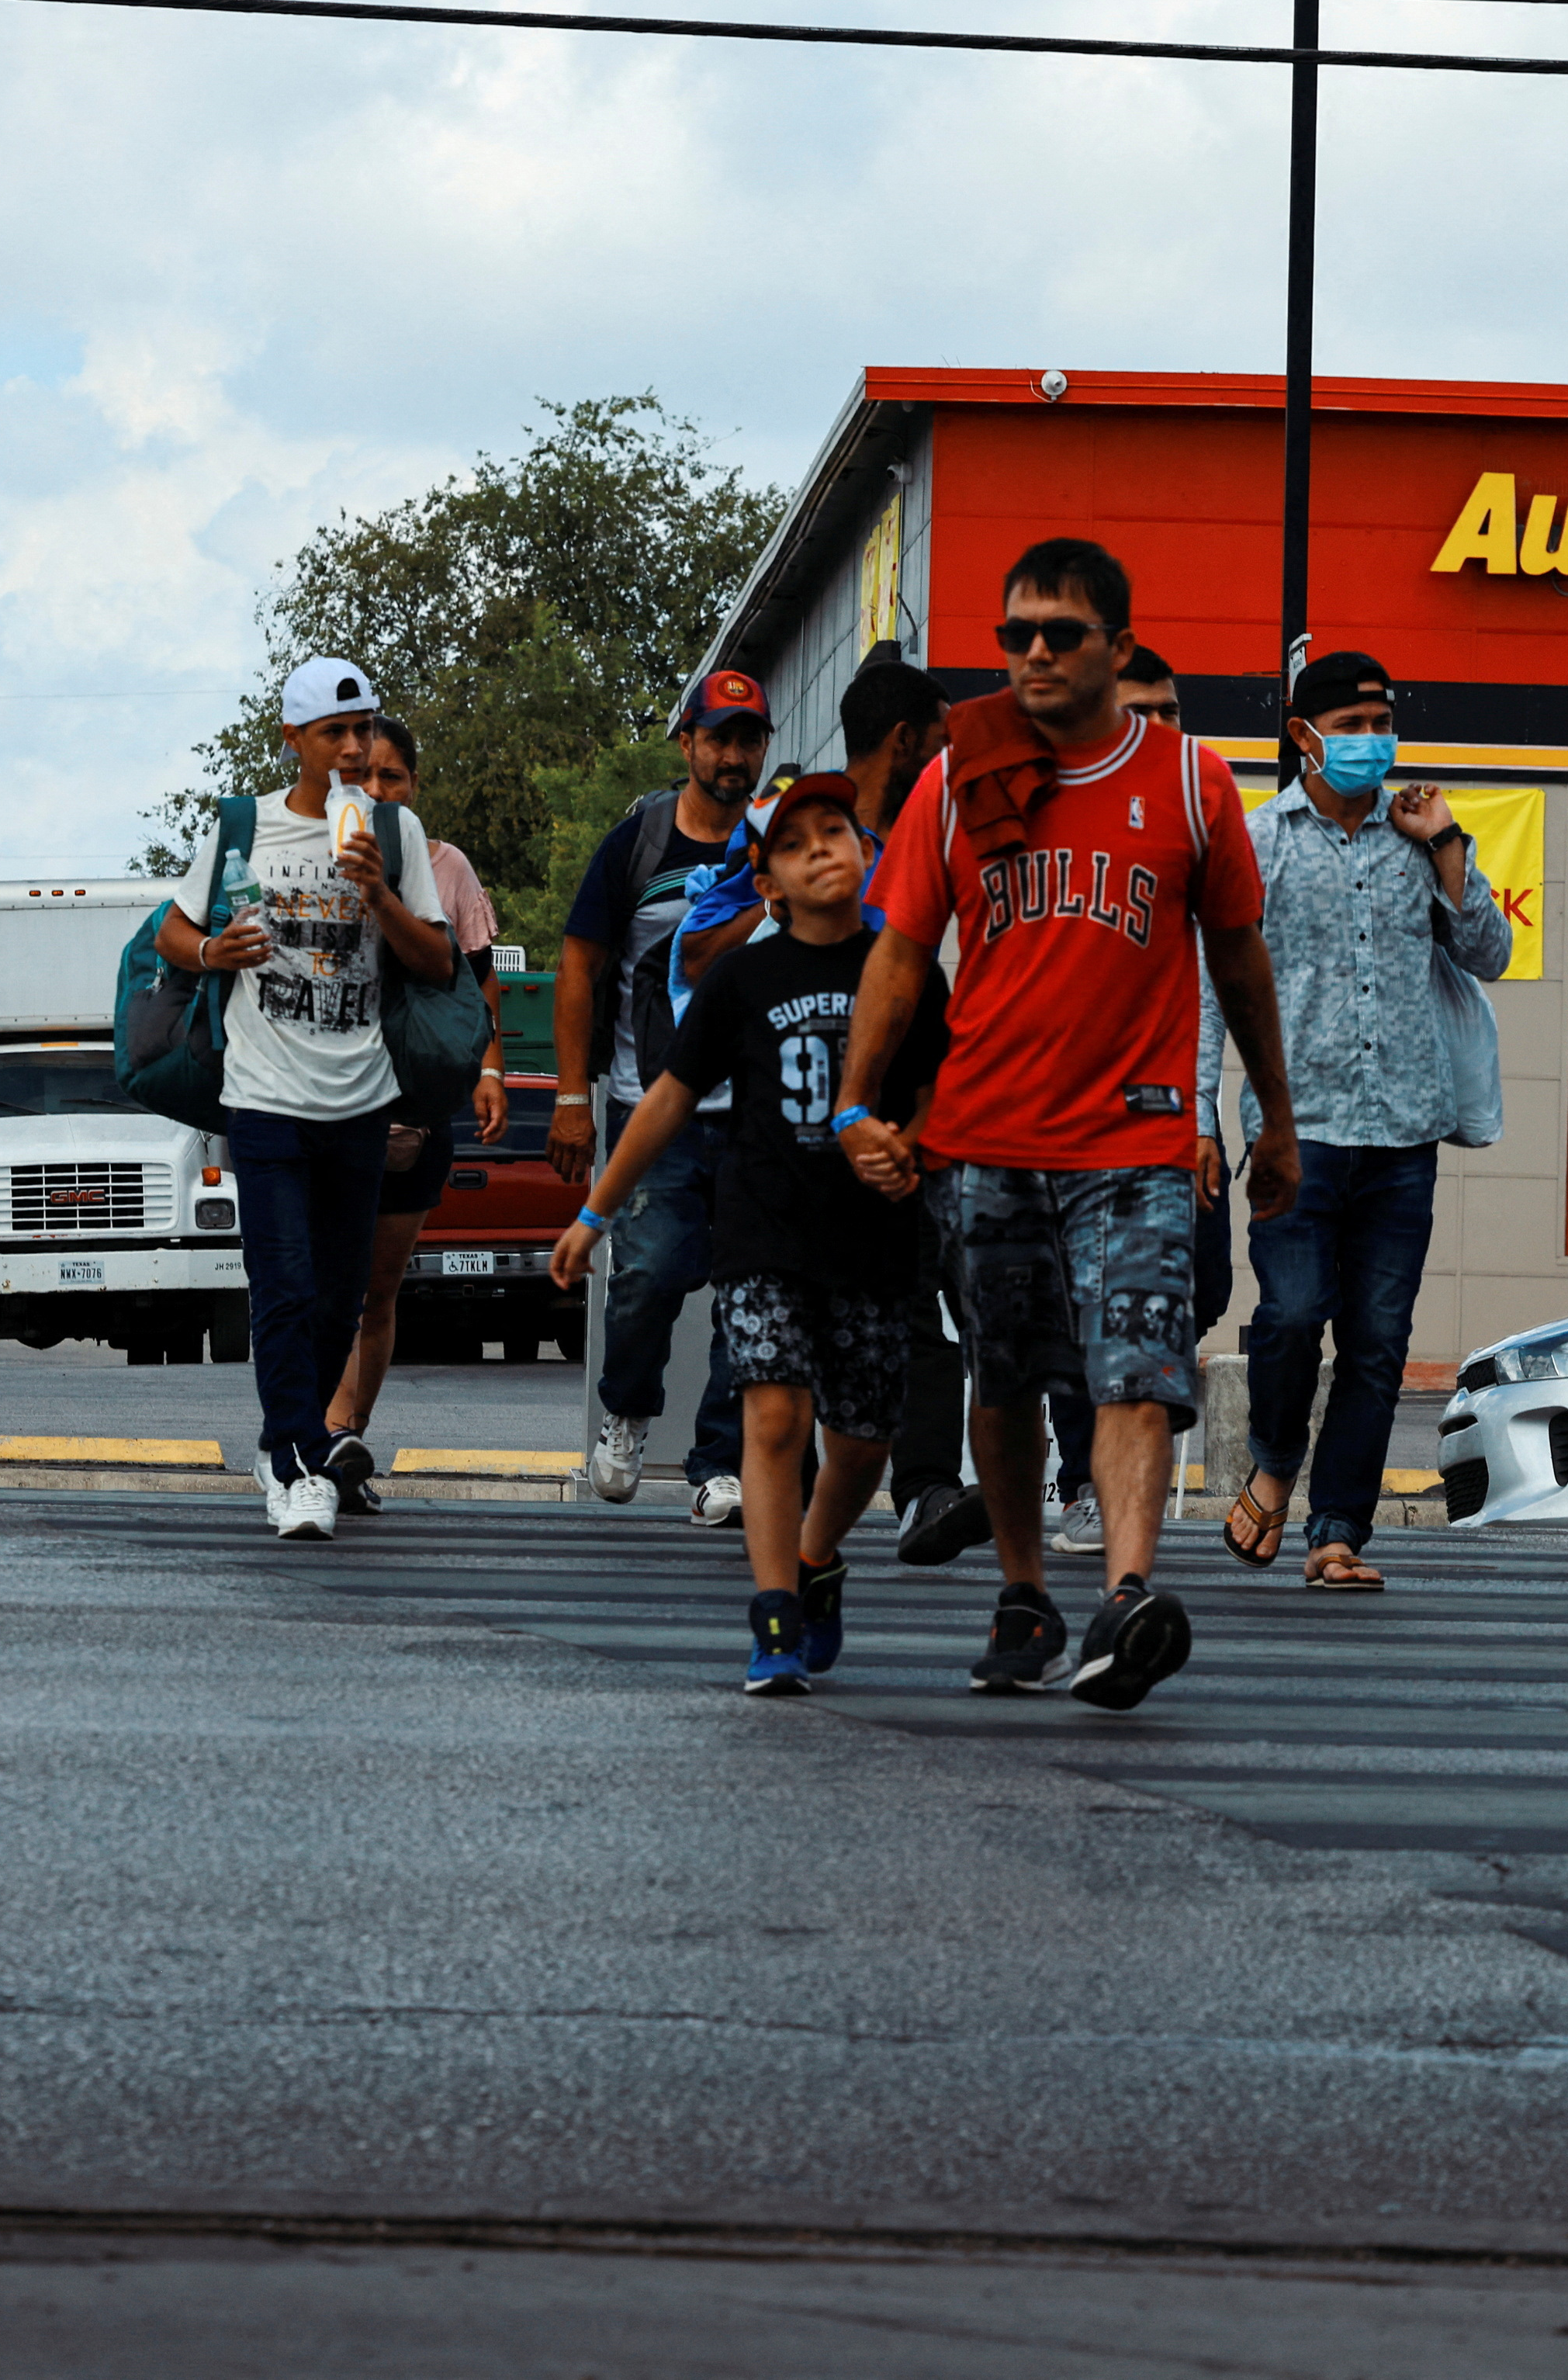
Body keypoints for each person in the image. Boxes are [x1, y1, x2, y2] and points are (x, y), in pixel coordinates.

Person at [839, 540, 1300, 1712]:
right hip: (987, 1134)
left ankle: (1128, 1594)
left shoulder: (1194, 785)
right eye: (1016, 635)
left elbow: (1241, 965)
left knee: (1133, 1376)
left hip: (1136, 1139)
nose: (1034, 653)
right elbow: (897, 956)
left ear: (1121, 647)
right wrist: (855, 1101)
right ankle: (1028, 1589)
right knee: (1002, 1382)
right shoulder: (958, 779)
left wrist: (1274, 1119)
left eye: (1060, 633)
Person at [553, 774, 949, 1692]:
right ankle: (773, 1613)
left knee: (861, 1438)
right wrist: (593, 1212)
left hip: (875, 1238)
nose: (823, 847)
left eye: (837, 830)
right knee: (772, 1418)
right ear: (764, 880)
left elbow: (937, 1086)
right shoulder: (740, 977)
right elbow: (664, 1101)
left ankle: (815, 1557)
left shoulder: (906, 967)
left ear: (865, 850)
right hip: (764, 1231)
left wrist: (910, 1144)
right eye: (796, 840)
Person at [1213, 649, 1511, 1592]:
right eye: (1351, 727)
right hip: (1292, 1133)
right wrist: (1199, 1113)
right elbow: (1209, 988)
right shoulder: (1258, 842)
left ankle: (1336, 1530)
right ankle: (1271, 1455)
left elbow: (1490, 953)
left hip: (1401, 1134)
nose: (1372, 742)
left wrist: (1450, 843)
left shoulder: (1417, 837)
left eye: (1383, 724)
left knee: (1378, 1341)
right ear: (1303, 736)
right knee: (1293, 1315)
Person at [151, 657, 458, 1542]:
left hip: (360, 1095)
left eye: (364, 729)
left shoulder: (395, 830)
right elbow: (170, 928)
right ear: (295, 740)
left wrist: (377, 893)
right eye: (336, 733)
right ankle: (298, 1463)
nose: (356, 748)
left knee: (339, 1297)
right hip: (266, 1093)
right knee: (281, 1283)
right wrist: (216, 953)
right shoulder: (243, 827)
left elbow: (436, 962)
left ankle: (286, 1434)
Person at [556, 668, 774, 1523]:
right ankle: (628, 1406)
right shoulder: (638, 841)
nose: (733, 754)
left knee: (748, 1286)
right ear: (686, 743)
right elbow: (579, 963)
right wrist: (572, 1096)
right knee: (646, 1272)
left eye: (747, 737)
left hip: (757, 1108)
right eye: (717, 737)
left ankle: (718, 1460)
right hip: (653, 1099)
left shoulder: (778, 838)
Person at [1060, 641, 1229, 1560]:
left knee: (1192, 1293)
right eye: (1142, 710)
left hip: (1166, 1121)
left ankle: (1127, 1491)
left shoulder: (1197, 817)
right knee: (1075, 1316)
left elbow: (1221, 980)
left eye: (1172, 711)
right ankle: (1083, 1483)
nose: (1162, 729)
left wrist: (1208, 1117)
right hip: (1059, 1123)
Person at [318, 712, 511, 1515]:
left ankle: (348, 1437)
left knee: (380, 1287)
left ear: (414, 787)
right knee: (327, 1277)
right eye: (362, 775)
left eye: (391, 776)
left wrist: (489, 1070)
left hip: (416, 1105)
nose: (376, 788)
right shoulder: (307, 856)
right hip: (327, 1097)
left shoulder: (446, 867)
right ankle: (322, 1435)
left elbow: (476, 978)